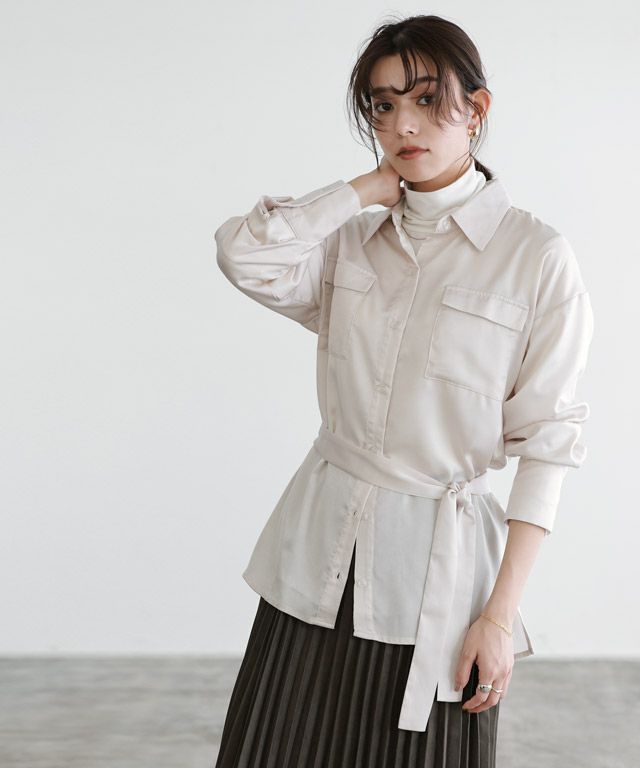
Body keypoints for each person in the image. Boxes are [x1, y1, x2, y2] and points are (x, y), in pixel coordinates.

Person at [212, 13, 594, 768]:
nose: (402, 125)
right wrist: (364, 189)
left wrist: (499, 617)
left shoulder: (536, 258)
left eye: (424, 99)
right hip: (316, 561)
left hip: (434, 582)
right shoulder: (351, 238)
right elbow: (245, 256)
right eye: (383, 106)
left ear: (476, 110)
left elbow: (548, 449)